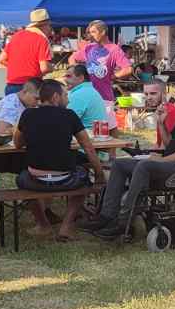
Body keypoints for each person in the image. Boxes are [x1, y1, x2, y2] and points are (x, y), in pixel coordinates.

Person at [85, 74, 175, 241]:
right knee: (120, 164)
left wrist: (163, 160)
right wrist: (161, 123)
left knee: (145, 166)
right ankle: (106, 216)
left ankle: (123, 222)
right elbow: (170, 143)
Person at [14, 79, 107, 240]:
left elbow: (17, 144)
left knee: (20, 178)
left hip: (34, 180)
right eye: (65, 95)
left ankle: (43, 225)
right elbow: (88, 147)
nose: (68, 100)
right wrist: (99, 174)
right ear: (55, 97)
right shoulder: (69, 115)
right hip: (66, 179)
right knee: (85, 177)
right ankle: (66, 226)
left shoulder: (27, 114)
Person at [71, 19, 133, 105]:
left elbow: (128, 69)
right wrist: (77, 73)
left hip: (104, 98)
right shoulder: (89, 47)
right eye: (90, 32)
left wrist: (112, 77)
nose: (91, 35)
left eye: (93, 32)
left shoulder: (114, 49)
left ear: (103, 32)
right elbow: (72, 58)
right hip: (86, 96)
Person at [0, 8, 54, 94]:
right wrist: (52, 68)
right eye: (49, 26)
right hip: (31, 87)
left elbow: (2, 60)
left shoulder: (16, 35)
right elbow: (44, 68)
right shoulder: (41, 39)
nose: (50, 29)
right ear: (44, 25)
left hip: (12, 85)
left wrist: (19, 68)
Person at [65, 62, 110, 131]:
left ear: (81, 78)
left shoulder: (79, 94)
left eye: (69, 76)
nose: (65, 79)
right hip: (99, 134)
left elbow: (66, 121)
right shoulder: (89, 90)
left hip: (91, 135)